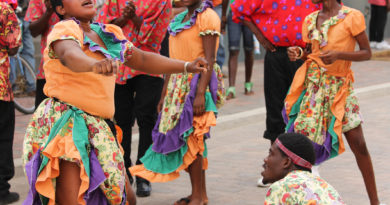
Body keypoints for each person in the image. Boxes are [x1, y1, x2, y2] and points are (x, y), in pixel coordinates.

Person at [21, 0, 208, 203]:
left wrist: (187, 66)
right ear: (61, 9)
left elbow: (142, 59)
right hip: (69, 126)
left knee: (127, 198)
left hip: (100, 126)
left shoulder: (107, 34)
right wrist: (93, 65)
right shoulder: (64, 29)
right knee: (73, 198)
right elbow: (69, 54)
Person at [284, 0, 383, 204]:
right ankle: (305, 199)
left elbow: (367, 53)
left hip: (340, 90)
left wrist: (339, 54)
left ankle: (375, 201)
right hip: (313, 90)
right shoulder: (311, 19)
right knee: (306, 149)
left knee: (359, 144)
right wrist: (300, 54)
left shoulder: (352, 17)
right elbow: (313, 55)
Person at [130, 0, 225, 204]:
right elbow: (172, 60)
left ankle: (198, 196)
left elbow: (209, 59)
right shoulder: (178, 19)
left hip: (196, 85)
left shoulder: (207, 17)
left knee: (194, 140)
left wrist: (200, 93)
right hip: (177, 86)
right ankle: (199, 194)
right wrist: (165, 93)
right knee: (188, 140)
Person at [230, 0, 319, 186]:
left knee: (306, 111)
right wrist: (260, 37)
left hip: (307, 56)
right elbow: (239, 8)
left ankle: (308, 167)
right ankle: (275, 170)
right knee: (276, 110)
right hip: (277, 53)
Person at [97, 0, 172, 197]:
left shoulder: (161, 2)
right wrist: (122, 19)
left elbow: (155, 37)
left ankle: (143, 175)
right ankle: (124, 171)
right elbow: (103, 29)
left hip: (149, 62)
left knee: (147, 119)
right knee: (121, 120)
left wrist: (134, 18)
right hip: (119, 64)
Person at [262, 133, 345, 204]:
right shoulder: (326, 187)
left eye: (271, 154)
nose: (265, 159)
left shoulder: (281, 187)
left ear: (286, 162)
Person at [0, 0, 21, 204]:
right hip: (0, 88)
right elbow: (13, 47)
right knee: (3, 137)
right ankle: (1, 190)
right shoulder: (4, 10)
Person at [24, 0, 59, 109]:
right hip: (47, 71)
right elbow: (33, 31)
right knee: (43, 119)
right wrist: (49, 11)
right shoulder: (38, 1)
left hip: (76, 71)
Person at [224, 0, 254, 100]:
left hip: (250, 13)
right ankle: (231, 88)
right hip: (234, 13)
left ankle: (248, 84)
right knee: (233, 50)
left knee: (249, 50)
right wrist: (223, 15)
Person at [9, 0, 36, 96]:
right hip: (11, 14)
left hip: (26, 15)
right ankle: (14, 85)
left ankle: (31, 85)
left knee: (28, 51)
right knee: (12, 51)